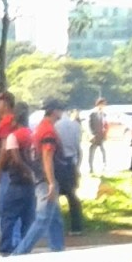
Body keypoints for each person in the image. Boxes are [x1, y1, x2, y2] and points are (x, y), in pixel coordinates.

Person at [13, 100, 67, 255]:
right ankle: (19, 253)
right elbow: (47, 157)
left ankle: (58, 249)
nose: (62, 112)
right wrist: (51, 183)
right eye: (60, 109)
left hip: (39, 175)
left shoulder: (39, 129)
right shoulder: (48, 131)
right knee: (43, 219)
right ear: (54, 111)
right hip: (45, 178)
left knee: (54, 218)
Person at [0, 94, 37, 255]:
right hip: (28, 180)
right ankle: (23, 245)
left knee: (6, 211)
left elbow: (8, 152)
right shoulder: (30, 133)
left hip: (12, 175)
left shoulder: (11, 130)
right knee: (26, 214)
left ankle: (9, 245)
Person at [52, 99, 84, 233]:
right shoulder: (76, 125)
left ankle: (55, 226)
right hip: (71, 162)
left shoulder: (55, 126)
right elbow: (78, 147)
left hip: (58, 162)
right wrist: (77, 166)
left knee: (54, 195)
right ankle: (77, 226)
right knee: (72, 195)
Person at [86, 97, 110, 176]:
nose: (104, 106)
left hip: (101, 136)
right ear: (99, 104)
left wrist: (105, 133)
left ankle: (104, 166)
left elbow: (105, 124)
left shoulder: (103, 114)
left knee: (103, 151)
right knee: (92, 152)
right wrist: (91, 134)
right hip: (94, 135)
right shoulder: (92, 113)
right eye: (103, 104)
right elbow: (89, 125)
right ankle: (90, 168)